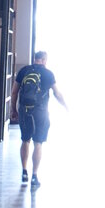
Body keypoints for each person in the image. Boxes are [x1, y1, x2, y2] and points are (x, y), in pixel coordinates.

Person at [9, 50, 66, 188]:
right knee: (38, 142)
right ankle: (34, 175)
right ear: (45, 60)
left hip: (24, 110)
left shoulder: (24, 71)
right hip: (41, 111)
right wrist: (66, 107)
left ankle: (24, 171)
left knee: (25, 140)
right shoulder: (48, 74)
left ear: (34, 59)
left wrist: (13, 109)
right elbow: (57, 94)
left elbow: (14, 91)